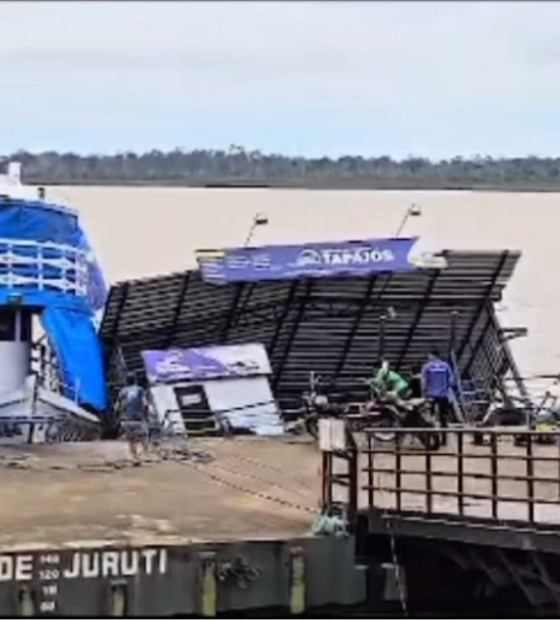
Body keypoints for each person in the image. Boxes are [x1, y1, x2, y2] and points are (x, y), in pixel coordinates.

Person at [421, 349, 454, 445]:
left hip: (431, 395)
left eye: (429, 356)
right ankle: (444, 440)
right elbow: (451, 381)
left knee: (429, 418)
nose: (428, 357)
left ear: (432, 355)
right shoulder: (446, 366)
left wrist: (423, 393)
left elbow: (424, 382)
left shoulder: (427, 366)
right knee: (443, 418)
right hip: (444, 396)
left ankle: (433, 439)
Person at [115, 373, 149, 465]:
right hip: (138, 418)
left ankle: (135, 458)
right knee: (144, 437)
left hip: (126, 419)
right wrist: (145, 416)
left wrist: (119, 418)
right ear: (135, 380)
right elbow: (145, 404)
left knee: (131, 440)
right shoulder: (140, 390)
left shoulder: (122, 392)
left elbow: (117, 407)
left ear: (126, 381)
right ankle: (146, 455)